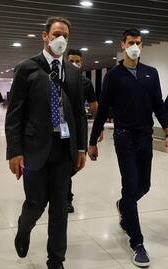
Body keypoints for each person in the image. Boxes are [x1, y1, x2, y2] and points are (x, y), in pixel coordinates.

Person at [5, 17, 87, 269]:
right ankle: (24, 226)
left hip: (63, 150)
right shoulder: (27, 68)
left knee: (60, 208)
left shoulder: (73, 73)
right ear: (45, 36)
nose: (60, 39)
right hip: (34, 149)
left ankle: (56, 264)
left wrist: (82, 148)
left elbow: (78, 114)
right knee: (36, 203)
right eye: (56, 34)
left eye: (65, 35)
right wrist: (14, 151)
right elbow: (14, 114)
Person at [87, 28, 168, 268]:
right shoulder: (114, 75)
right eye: (131, 42)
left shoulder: (151, 73)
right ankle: (137, 243)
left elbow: (159, 104)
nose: (135, 46)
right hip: (124, 137)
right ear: (123, 45)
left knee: (143, 185)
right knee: (130, 184)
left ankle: (123, 205)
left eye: (138, 42)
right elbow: (103, 109)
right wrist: (92, 141)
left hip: (146, 136)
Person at [67, 49, 103, 213]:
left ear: (81, 63)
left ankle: (63, 191)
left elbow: (94, 106)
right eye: (71, 60)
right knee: (63, 162)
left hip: (78, 127)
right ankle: (66, 197)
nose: (74, 63)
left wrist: (99, 126)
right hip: (59, 127)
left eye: (77, 61)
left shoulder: (85, 83)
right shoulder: (57, 78)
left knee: (74, 163)